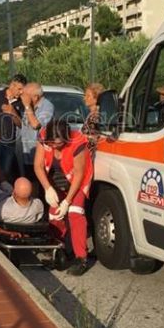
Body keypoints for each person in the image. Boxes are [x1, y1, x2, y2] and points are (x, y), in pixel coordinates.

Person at [35, 119, 93, 276]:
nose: (54, 147)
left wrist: (68, 201)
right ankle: (61, 250)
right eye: (52, 143)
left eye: (59, 144)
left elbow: (80, 174)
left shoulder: (78, 142)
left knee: (75, 213)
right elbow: (38, 165)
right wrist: (47, 188)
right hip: (55, 183)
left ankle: (81, 257)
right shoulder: (43, 138)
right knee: (54, 216)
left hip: (76, 183)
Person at [0, 74, 27, 182]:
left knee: (5, 171)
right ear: (12, 85)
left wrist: (12, 112)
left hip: (9, 142)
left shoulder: (21, 103)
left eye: (23, 89)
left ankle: (1, 193)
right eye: (19, 89)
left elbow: (21, 124)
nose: (21, 92)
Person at [20, 83, 54, 181]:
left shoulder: (47, 106)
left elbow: (35, 125)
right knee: (28, 181)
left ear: (35, 97)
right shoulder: (29, 106)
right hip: (26, 153)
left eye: (26, 95)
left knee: (37, 183)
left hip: (38, 155)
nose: (23, 98)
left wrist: (27, 106)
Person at [82, 83, 105, 154]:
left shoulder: (96, 116)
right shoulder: (92, 114)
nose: (84, 98)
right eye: (85, 95)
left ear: (96, 98)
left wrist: (80, 138)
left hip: (91, 154)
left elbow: (96, 137)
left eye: (88, 96)